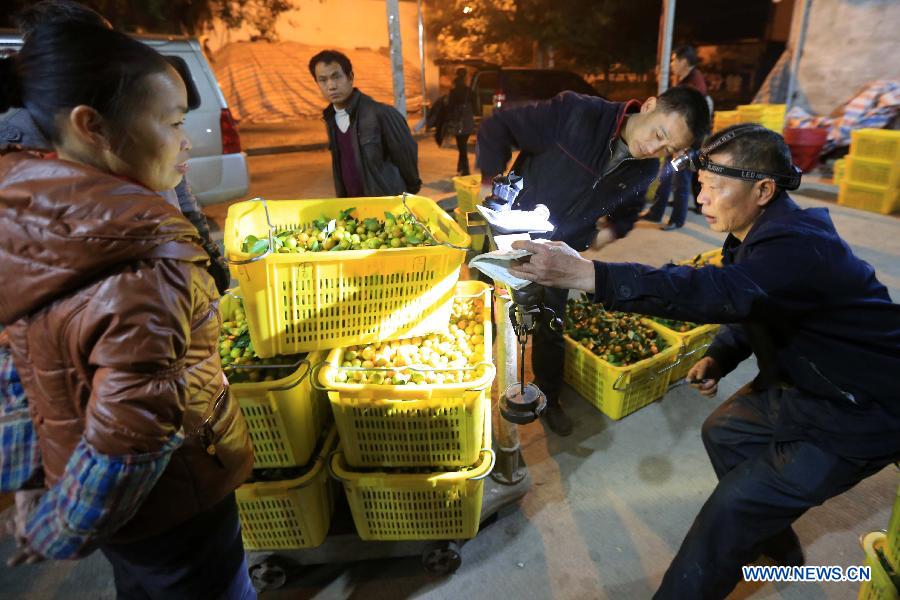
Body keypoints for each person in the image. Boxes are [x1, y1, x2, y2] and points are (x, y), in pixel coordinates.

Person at [507, 124, 900, 599]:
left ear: (763, 189)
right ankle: (774, 540)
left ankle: (742, 536)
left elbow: (723, 293)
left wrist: (591, 275)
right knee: (725, 432)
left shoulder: (799, 247)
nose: (702, 198)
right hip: (803, 383)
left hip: (858, 408)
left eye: (716, 188)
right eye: (700, 185)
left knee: (726, 516)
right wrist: (722, 354)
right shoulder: (757, 235)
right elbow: (757, 302)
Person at [0, 22, 255, 599]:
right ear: (92, 126)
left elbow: (13, 364)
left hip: (88, 492)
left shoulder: (21, 212)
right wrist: (59, 529)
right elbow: (133, 438)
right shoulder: (150, 255)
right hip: (175, 502)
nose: (186, 140)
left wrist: (32, 487)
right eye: (171, 123)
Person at [476, 85, 710, 435]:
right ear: (648, 106)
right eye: (659, 133)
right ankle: (473, 384)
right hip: (509, 232)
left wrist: (608, 232)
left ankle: (549, 397)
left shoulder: (646, 170)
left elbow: (629, 210)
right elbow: (498, 128)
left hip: (559, 252)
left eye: (669, 148)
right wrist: (487, 184)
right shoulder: (575, 113)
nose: (655, 148)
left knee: (551, 325)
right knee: (485, 314)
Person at [0, 0, 231, 297]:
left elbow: (179, 195)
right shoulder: (16, 150)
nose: (185, 140)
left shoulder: (125, 118)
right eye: (174, 123)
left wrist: (202, 252)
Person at [309, 49, 422, 197]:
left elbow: (406, 159)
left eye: (336, 77)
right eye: (323, 80)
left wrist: (406, 194)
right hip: (353, 208)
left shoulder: (381, 113)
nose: (331, 86)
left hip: (385, 206)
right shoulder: (331, 119)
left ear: (350, 77)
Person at [644, 45, 709, 230]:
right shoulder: (686, 79)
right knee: (666, 177)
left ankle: (676, 220)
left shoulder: (694, 84)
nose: (671, 64)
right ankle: (656, 213)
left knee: (681, 181)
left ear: (683, 61)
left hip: (687, 144)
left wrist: (684, 146)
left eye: (673, 60)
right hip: (677, 141)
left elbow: (691, 119)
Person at [445, 68, 476, 176]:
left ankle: (465, 169)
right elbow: (476, 106)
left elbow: (449, 106)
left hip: (457, 120)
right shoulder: (469, 90)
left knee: (461, 145)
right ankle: (461, 167)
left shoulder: (453, 91)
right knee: (462, 145)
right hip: (467, 120)